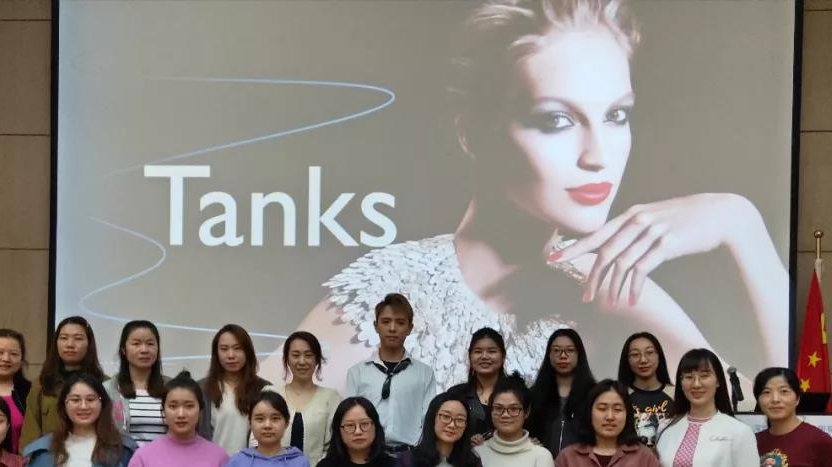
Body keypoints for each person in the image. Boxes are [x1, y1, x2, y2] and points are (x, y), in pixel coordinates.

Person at [285, 0, 788, 389]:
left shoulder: (607, 284)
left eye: (616, 115)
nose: (598, 155)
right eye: (557, 120)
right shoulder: (394, 287)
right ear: (473, 133)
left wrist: (741, 225)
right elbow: (268, 425)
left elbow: (765, 411)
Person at [344, 294, 437, 454]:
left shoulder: (424, 373)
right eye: (386, 321)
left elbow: (428, 419)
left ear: (410, 328)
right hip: (369, 455)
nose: (392, 328)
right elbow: (349, 418)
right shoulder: (357, 372)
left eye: (400, 322)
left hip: (409, 456)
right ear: (376, 326)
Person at [19, 316, 105, 450]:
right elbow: (30, 431)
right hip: (49, 456)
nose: (70, 344)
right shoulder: (42, 383)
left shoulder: (104, 383)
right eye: (64, 338)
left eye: (78, 338)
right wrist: (32, 458)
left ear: (89, 343)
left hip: (93, 455)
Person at [270, 330, 341, 467]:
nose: (302, 361)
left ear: (317, 359)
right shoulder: (272, 394)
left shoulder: (331, 398)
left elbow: (335, 444)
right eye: (295, 355)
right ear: (287, 359)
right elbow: (256, 439)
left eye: (308, 355)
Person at [199, 324, 270, 454]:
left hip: (252, 464)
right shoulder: (201, 389)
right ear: (216, 353)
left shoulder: (264, 389)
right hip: (212, 464)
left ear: (247, 351)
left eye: (237, 348)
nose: (231, 355)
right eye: (224, 349)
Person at [528, 328, 596, 457]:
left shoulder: (594, 394)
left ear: (579, 354)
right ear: (549, 355)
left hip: (582, 466)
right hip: (542, 465)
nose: (563, 356)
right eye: (556, 350)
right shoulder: (534, 394)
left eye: (570, 350)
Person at [106, 319, 169, 445]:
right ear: (123, 350)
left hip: (166, 457)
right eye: (136, 344)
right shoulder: (108, 389)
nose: (144, 350)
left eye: (150, 344)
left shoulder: (171, 387)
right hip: (125, 456)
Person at [446, 327, 509, 446]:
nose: (484, 356)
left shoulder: (516, 395)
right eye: (478, 351)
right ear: (470, 356)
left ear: (503, 356)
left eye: (491, 351)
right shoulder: (456, 394)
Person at [618, 332, 674, 447]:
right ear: (627, 360)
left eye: (649, 352)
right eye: (635, 354)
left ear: (659, 356)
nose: (643, 360)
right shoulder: (619, 395)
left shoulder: (676, 393)